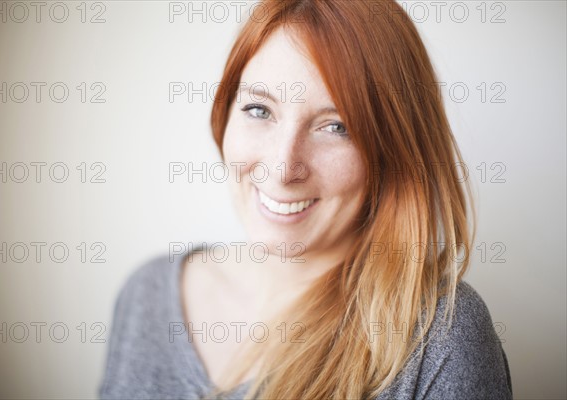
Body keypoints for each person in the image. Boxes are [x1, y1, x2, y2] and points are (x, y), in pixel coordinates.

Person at [99, 0, 513, 399]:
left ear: (394, 152)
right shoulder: (146, 294)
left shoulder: (441, 339)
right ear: (225, 113)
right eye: (259, 110)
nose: (282, 167)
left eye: (336, 126)